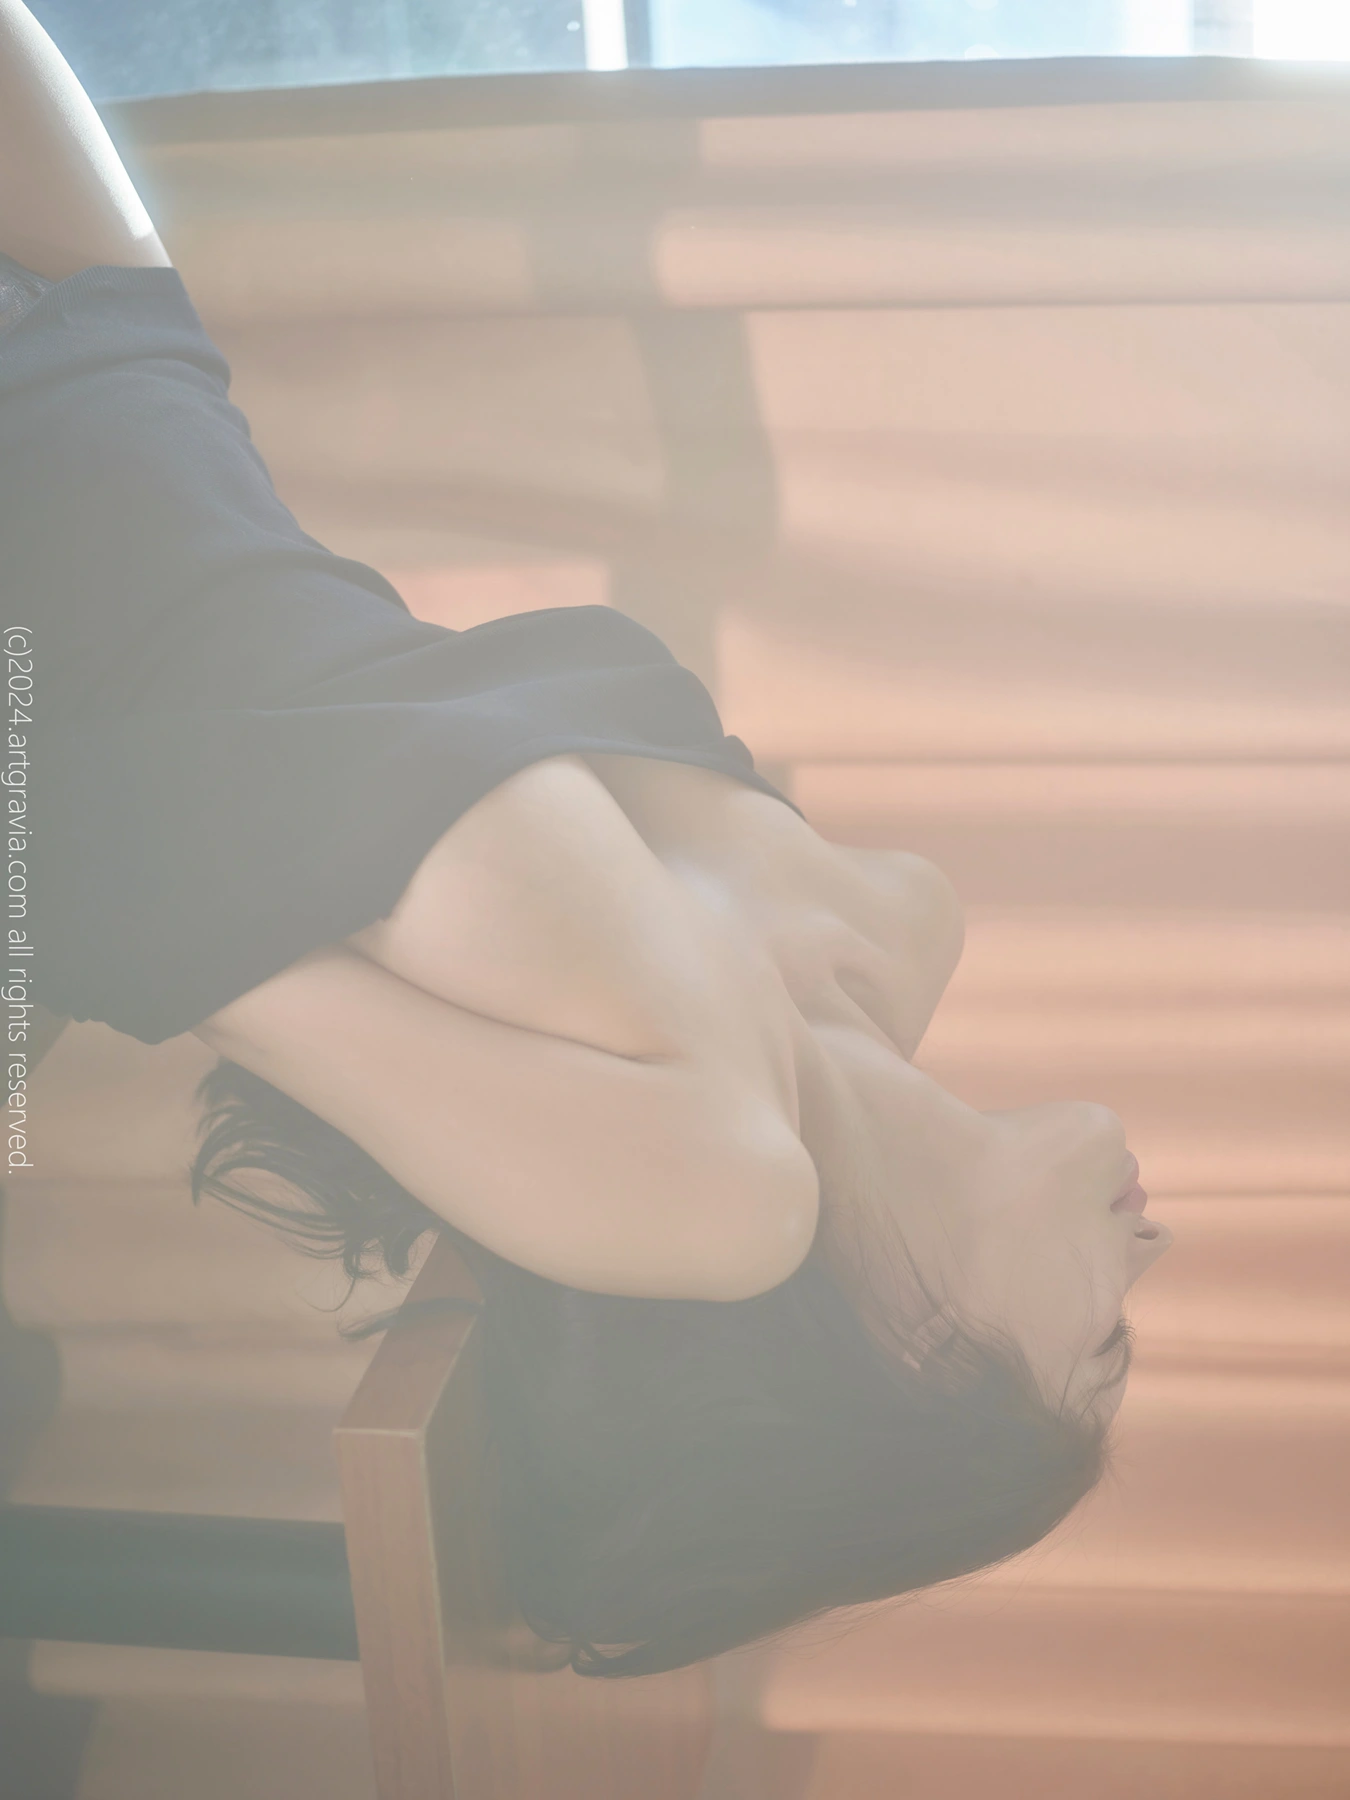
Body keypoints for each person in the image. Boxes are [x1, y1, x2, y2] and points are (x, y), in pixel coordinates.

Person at [2, 0, 1171, 1677]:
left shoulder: (713, 1193)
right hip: (122, 365)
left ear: (923, 1363)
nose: (1148, 1255)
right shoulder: (890, 932)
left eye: (1103, 1348)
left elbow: (92, 885)